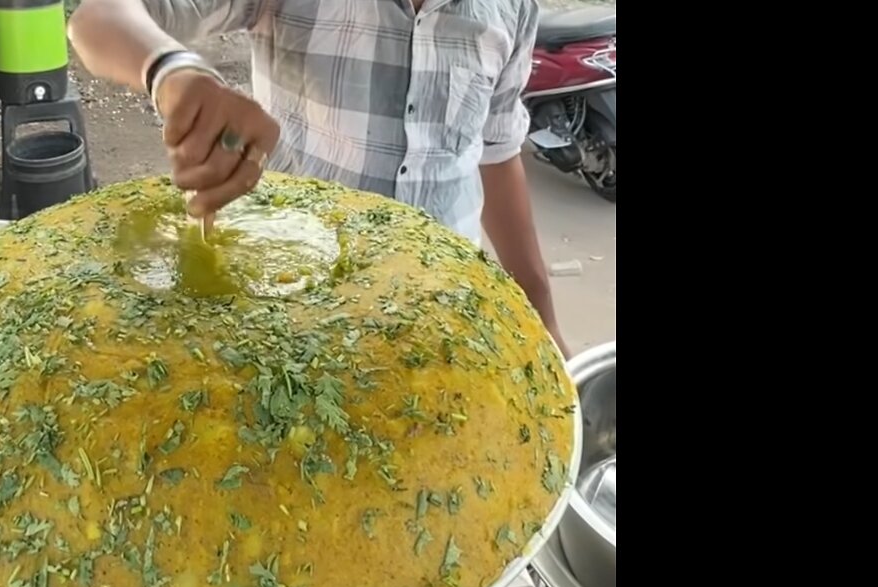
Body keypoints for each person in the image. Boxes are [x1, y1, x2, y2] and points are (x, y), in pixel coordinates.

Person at [68, 0, 570, 356]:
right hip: (305, 319)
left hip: (445, 309)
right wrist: (172, 71)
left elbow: (496, 150)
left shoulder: (512, 8)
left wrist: (541, 309)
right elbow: (99, 17)